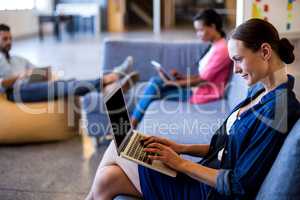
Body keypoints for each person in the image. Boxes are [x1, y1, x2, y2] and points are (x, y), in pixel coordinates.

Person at [86, 18, 300, 200]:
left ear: (265, 51)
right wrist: (181, 148)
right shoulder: (260, 93)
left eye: (238, 60)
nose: (235, 70)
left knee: (118, 146)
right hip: (204, 176)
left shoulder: (279, 110)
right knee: (108, 179)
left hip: (209, 192)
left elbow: (239, 185)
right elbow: (224, 145)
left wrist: (179, 163)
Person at [131, 9, 232, 127]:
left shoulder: (222, 50)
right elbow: (204, 75)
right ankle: (132, 123)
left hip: (203, 94)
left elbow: (202, 80)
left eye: (200, 30)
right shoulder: (215, 46)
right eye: (196, 30)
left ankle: (131, 125)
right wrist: (181, 77)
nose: (198, 34)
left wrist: (174, 83)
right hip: (197, 89)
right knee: (155, 82)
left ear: (213, 27)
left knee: (154, 89)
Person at [0, 23, 138, 103]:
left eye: (10, 38)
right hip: (16, 92)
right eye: (5, 39)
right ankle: (110, 78)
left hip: (32, 84)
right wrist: (21, 76)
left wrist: (45, 73)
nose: (9, 42)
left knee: (68, 82)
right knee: (65, 86)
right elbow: (2, 84)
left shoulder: (18, 59)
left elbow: (39, 71)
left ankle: (109, 85)